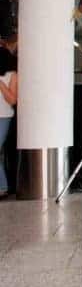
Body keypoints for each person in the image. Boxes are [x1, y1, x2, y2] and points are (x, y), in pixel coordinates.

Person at [0, 46, 18, 199]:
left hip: (3, 116)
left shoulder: (12, 75)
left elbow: (12, 99)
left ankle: (3, 186)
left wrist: (0, 84)